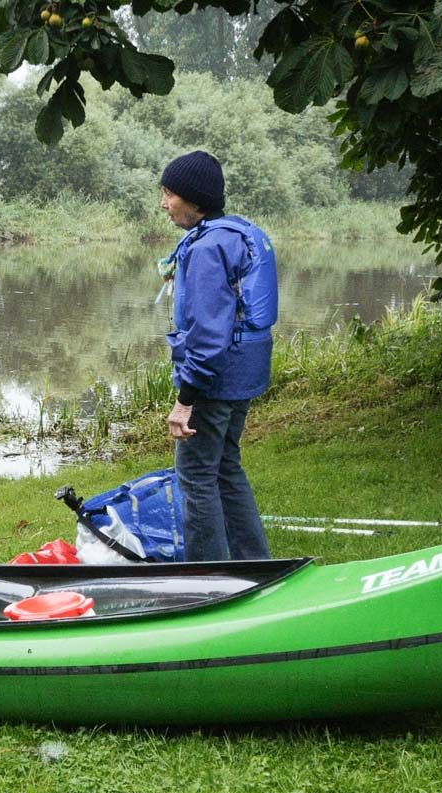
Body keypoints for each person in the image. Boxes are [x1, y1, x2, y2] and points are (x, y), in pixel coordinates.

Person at [158, 150, 277, 561]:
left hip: (215, 379)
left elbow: (209, 337)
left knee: (195, 476)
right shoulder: (235, 234)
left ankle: (210, 578)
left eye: (169, 193)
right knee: (226, 465)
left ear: (194, 198)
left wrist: (185, 399)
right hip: (243, 375)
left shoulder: (207, 249)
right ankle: (253, 563)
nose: (163, 203)